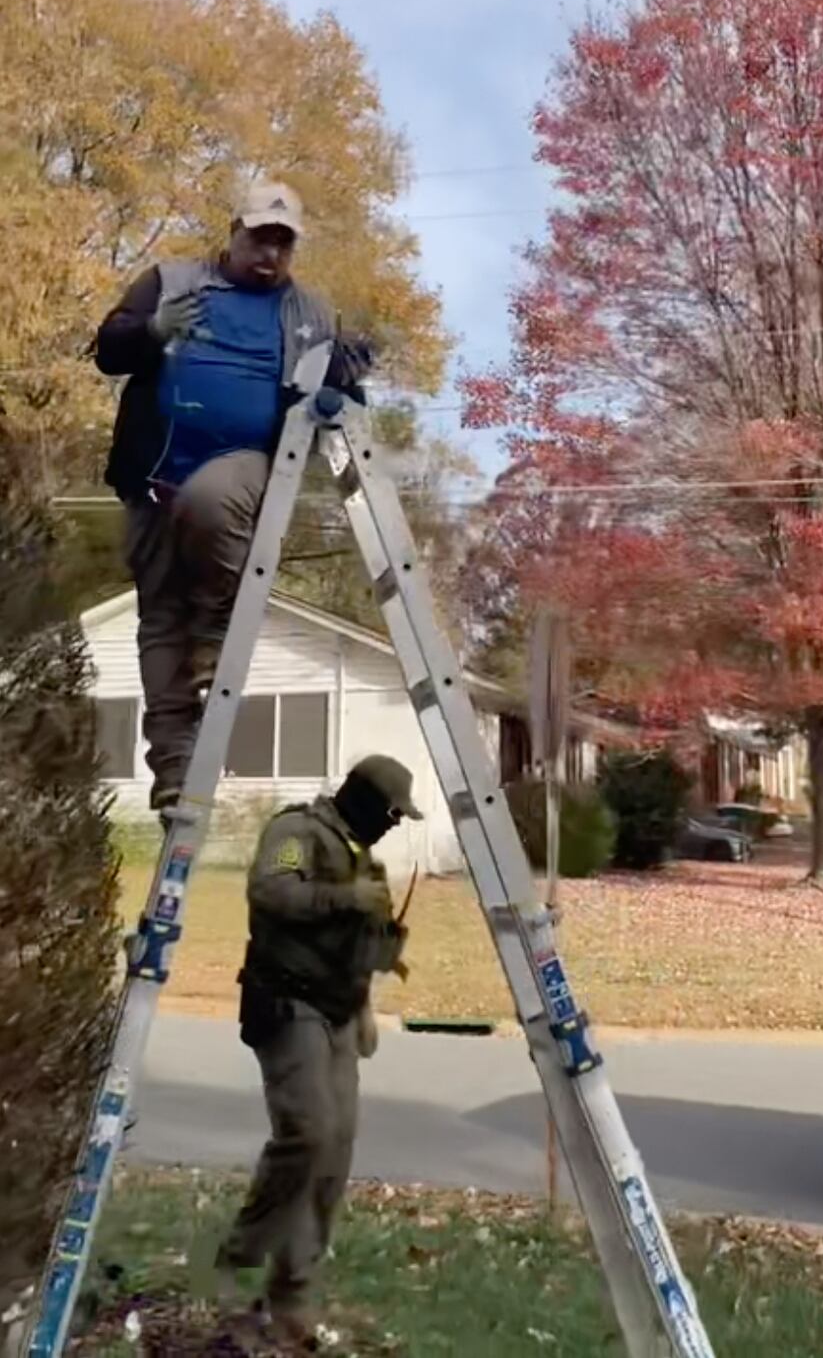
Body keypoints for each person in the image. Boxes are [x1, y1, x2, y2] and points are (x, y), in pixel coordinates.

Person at [94, 181, 371, 814]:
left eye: (283, 242)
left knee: (212, 500)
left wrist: (350, 372)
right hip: (152, 476)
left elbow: (333, 394)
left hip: (245, 465)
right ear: (233, 231)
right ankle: (175, 774)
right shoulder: (171, 280)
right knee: (161, 623)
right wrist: (150, 331)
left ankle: (217, 630)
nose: (270, 253)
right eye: (259, 237)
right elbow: (109, 350)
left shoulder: (309, 312)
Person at [215, 754, 422, 1348]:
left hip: (339, 1012)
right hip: (288, 1002)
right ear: (362, 798)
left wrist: (369, 994)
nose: (394, 823)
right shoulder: (296, 831)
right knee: (307, 1131)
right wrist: (344, 898)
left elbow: (362, 943)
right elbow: (270, 890)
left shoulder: (365, 860)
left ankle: (292, 1296)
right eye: (390, 812)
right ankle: (238, 1256)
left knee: (334, 1152)